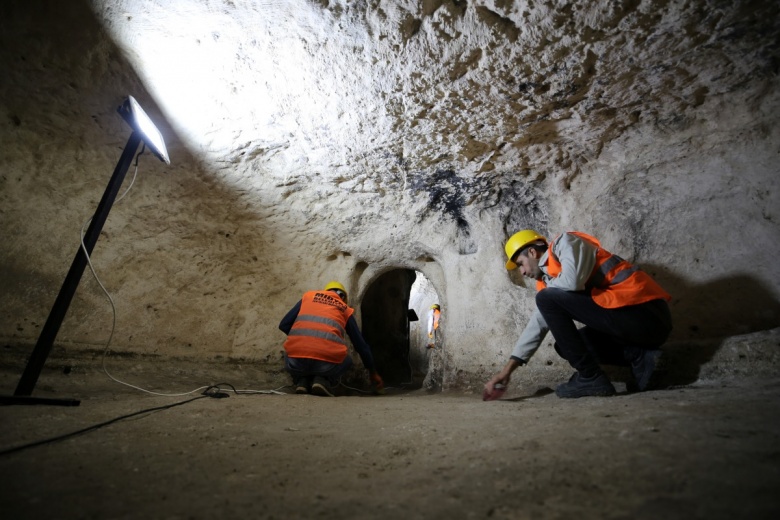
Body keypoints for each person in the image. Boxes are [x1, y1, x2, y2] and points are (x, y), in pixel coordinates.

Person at [484, 230, 672, 398]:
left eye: (520, 264)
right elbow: (537, 326)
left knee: (545, 299)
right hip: (630, 327)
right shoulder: (548, 285)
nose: (523, 272)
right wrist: (507, 371)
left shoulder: (565, 243)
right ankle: (640, 356)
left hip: (648, 314)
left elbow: (572, 282)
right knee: (564, 347)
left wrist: (547, 295)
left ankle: (591, 377)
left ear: (532, 252)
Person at [279, 281, 384, 397]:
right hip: (326, 366)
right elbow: (360, 345)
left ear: (326, 291)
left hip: (296, 363)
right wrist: (373, 372)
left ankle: (301, 382)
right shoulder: (343, 308)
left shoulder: (308, 297)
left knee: (289, 351)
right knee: (347, 360)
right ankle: (323, 381)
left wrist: (301, 337)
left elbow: (284, 324)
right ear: (343, 298)